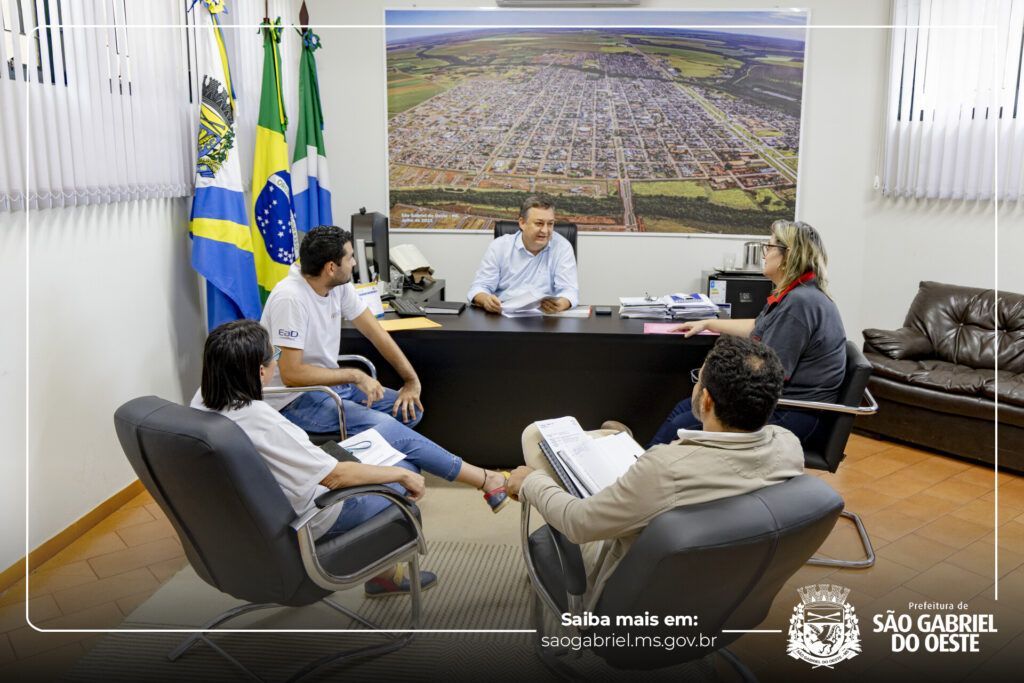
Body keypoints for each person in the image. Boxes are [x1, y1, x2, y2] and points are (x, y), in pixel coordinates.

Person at [506, 336, 804, 607]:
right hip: (726, 592)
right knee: (613, 443)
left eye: (697, 380)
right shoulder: (788, 446)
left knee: (534, 436)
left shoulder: (666, 467)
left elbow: (579, 523)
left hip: (638, 591)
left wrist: (531, 482)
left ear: (707, 400)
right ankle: (621, 440)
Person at [260, 225, 511, 512]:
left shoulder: (337, 287)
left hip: (329, 387)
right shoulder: (290, 298)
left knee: (409, 409)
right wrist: (355, 375)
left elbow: (376, 333)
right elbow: (292, 375)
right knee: (387, 426)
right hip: (294, 400)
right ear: (331, 267)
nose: (355, 262)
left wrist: (411, 381)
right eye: (350, 257)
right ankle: (484, 479)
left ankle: (377, 468)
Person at [191, 319, 435, 596]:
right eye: (275, 355)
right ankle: (386, 577)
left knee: (361, 460)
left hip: (244, 524)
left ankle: (384, 573)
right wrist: (402, 475)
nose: (277, 362)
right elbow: (335, 478)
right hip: (312, 518)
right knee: (406, 467)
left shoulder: (200, 402)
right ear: (261, 371)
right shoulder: (263, 421)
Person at [648, 219, 846, 446]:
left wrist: (708, 378)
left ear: (788, 255)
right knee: (683, 408)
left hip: (796, 413)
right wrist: (708, 323)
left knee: (682, 424)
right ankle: (644, 460)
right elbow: (757, 326)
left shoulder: (799, 304)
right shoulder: (797, 294)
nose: (765, 254)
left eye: (769, 247)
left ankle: (645, 464)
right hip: (785, 404)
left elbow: (767, 374)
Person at [467, 196, 579, 314]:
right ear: (522, 223)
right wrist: (486, 300)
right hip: (503, 314)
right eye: (539, 223)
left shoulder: (562, 247)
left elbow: (569, 290)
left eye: (550, 224)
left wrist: (561, 304)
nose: (545, 230)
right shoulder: (499, 246)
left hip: (544, 316)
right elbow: (480, 287)